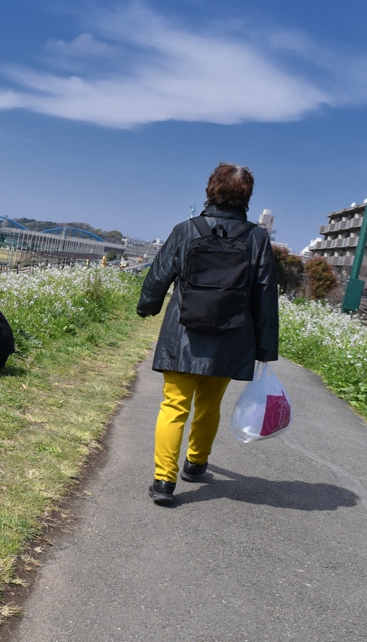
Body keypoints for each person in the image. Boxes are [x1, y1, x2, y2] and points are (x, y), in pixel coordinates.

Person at [137, 163, 279, 506]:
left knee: (174, 406)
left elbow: (159, 276)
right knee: (209, 405)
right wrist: (265, 347)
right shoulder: (257, 238)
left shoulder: (187, 229)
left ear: (211, 189)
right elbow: (264, 296)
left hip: (183, 331)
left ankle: (163, 482)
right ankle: (196, 464)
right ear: (246, 196)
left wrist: (148, 306)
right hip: (232, 336)